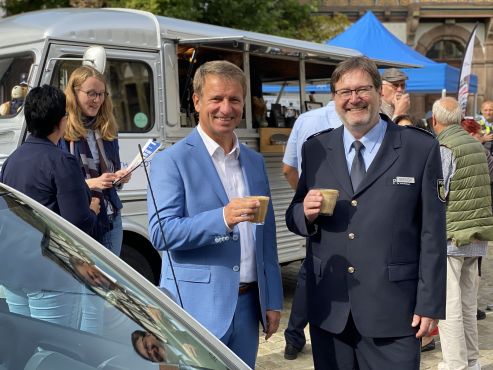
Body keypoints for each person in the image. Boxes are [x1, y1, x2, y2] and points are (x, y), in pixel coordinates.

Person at [285, 56, 446, 370]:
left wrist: (430, 304)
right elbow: (294, 216)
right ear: (334, 98)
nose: (353, 99)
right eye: (344, 92)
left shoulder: (419, 148)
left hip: (395, 314)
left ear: (379, 93)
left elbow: (433, 233)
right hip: (330, 314)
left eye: (362, 90)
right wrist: (304, 213)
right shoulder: (316, 149)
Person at [148, 60, 283, 368]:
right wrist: (222, 217)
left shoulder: (254, 162)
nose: (226, 108)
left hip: (249, 307)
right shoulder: (172, 161)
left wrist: (273, 299)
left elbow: (267, 240)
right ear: (197, 101)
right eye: (217, 99)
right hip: (194, 310)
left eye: (234, 99)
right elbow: (161, 233)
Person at [0, 84, 100, 327]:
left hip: (13, 271)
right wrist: (93, 209)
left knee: (25, 346)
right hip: (48, 274)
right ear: (62, 120)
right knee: (54, 348)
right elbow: (77, 224)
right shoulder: (62, 161)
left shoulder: (12, 160)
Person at [432, 101, 493, 370]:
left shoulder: (445, 148)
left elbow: (438, 195)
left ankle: (455, 364)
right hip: (477, 235)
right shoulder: (476, 145)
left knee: (449, 307)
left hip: (452, 236)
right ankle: (472, 362)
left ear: (435, 120)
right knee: (468, 305)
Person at [281, 100, 342, 360]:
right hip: (344, 212)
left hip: (312, 209)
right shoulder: (358, 118)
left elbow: (287, 168)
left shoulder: (305, 119)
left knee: (310, 271)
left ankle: (294, 337)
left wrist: (304, 196)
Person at [62, 65, 131, 256]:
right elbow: (59, 182)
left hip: (111, 216)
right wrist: (93, 183)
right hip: (80, 216)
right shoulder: (62, 130)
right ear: (74, 93)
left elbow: (112, 172)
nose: (97, 100)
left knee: (109, 281)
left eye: (102, 94)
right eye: (91, 93)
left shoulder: (108, 129)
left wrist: (119, 178)